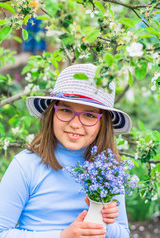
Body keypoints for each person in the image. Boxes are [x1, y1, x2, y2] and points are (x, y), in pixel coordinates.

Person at [0, 63, 132, 238]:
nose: (75, 124)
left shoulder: (107, 172)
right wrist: (62, 236)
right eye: (65, 110)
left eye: (90, 115)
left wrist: (107, 223)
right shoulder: (26, 166)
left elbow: (123, 233)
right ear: (51, 113)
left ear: (104, 123)